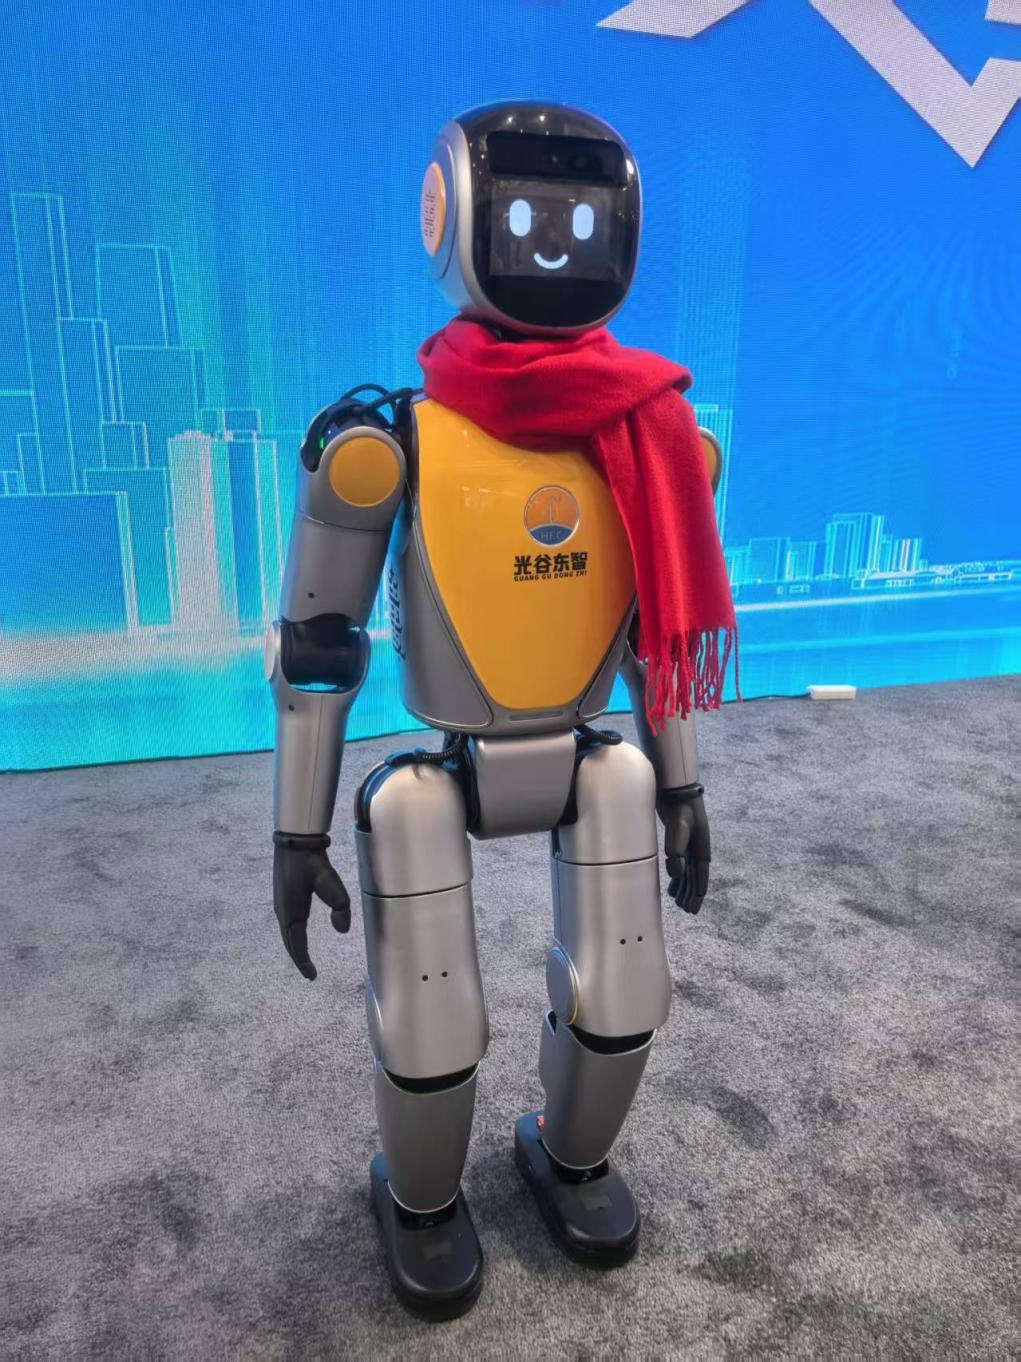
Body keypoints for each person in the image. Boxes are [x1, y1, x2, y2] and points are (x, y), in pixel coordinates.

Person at [265, 100, 736, 1320]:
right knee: (429, 1000)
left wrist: (680, 779)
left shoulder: (652, 432)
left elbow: (655, 635)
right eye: (529, 218)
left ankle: (571, 1156)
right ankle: (422, 1198)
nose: (553, 244)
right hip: (445, 768)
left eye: (577, 220)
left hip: (589, 755)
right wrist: (296, 828)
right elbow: (318, 646)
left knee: (622, 984)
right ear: (456, 221)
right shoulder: (390, 444)